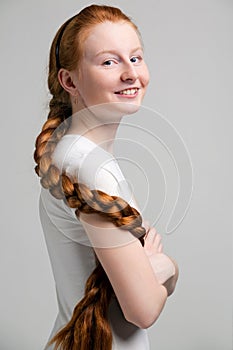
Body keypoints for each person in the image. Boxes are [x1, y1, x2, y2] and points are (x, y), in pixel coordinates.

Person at [34, 4, 179, 350]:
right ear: (69, 80)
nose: (131, 73)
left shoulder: (72, 153)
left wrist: (149, 272)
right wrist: (166, 266)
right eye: (109, 62)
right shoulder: (89, 166)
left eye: (136, 57)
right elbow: (142, 308)